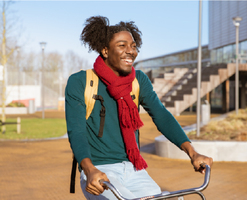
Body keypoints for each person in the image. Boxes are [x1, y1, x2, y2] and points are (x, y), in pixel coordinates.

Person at [65, 16, 213, 200]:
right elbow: (76, 131)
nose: (131, 52)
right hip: (99, 170)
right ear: (105, 50)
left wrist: (193, 153)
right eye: (122, 45)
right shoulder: (81, 81)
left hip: (135, 169)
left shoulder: (138, 80)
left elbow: (161, 115)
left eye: (133, 46)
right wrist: (89, 170)